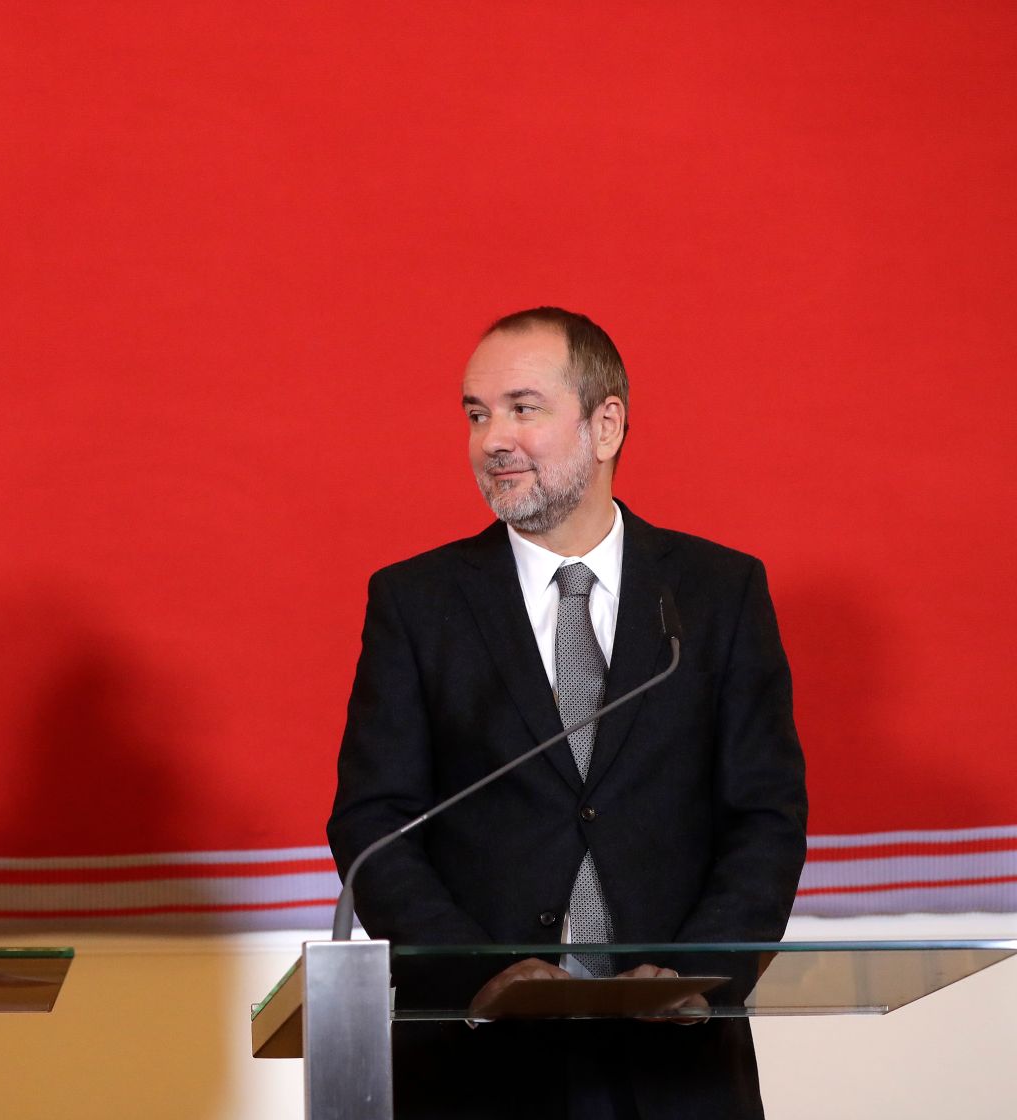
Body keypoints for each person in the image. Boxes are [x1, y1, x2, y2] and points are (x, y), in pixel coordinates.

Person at [326, 308, 807, 1119]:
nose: (492, 440)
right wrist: (480, 973)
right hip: (479, 1065)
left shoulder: (718, 594)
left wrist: (698, 970)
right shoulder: (416, 603)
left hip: (677, 1067)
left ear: (605, 423)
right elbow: (377, 824)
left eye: (523, 408)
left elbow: (765, 815)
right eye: (476, 415)